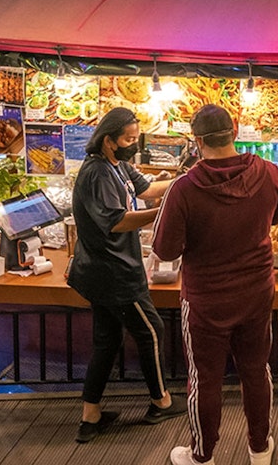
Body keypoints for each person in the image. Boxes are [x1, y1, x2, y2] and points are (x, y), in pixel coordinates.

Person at [153, 105, 278, 465]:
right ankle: (260, 448)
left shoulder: (182, 189)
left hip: (206, 298)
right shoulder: (269, 172)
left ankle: (202, 456)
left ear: (197, 142)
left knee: (205, 378)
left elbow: (164, 250)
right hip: (257, 290)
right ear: (236, 130)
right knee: (256, 369)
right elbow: (275, 217)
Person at [67, 107, 183, 443]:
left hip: (102, 271)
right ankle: (161, 401)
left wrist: (183, 182)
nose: (134, 144)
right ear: (108, 140)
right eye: (128, 139)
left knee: (107, 341)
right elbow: (117, 221)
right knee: (151, 330)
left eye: (136, 138)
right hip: (113, 272)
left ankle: (91, 415)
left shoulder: (117, 166)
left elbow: (146, 189)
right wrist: (160, 214)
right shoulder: (98, 174)